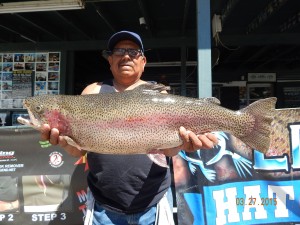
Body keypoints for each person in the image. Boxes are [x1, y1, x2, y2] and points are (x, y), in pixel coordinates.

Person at [40, 31, 218, 225]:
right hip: (103, 206)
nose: (126, 56)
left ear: (143, 61)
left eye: (133, 52)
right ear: (110, 60)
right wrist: (65, 143)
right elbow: (78, 150)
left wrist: (185, 146)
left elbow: (168, 150)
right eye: (119, 51)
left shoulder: (159, 94)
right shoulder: (92, 92)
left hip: (153, 203)